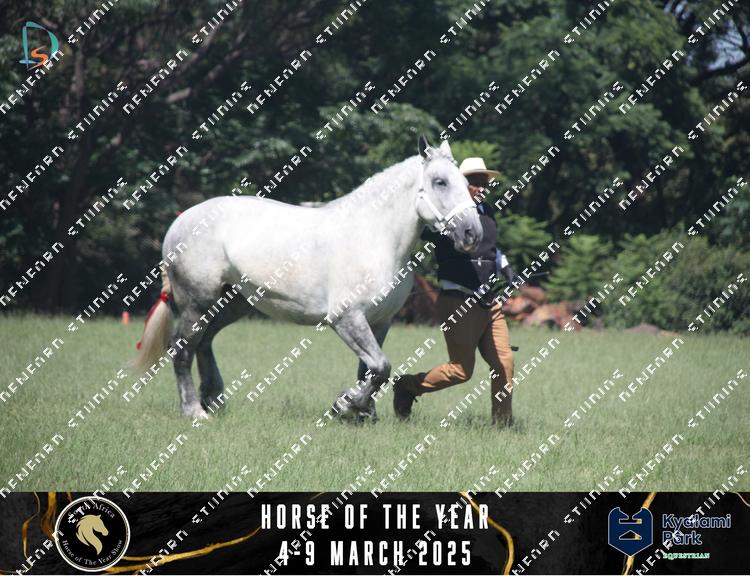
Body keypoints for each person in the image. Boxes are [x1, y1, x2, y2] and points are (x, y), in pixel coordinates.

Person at [393, 157, 516, 426]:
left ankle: (502, 425)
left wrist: (505, 266)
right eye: (475, 182)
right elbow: (418, 228)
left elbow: (491, 247)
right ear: (461, 183)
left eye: (484, 182)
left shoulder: (487, 211)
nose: (482, 187)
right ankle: (407, 386)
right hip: (459, 301)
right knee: (461, 371)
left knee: (504, 362)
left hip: (489, 302)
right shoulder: (445, 214)